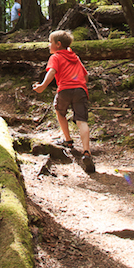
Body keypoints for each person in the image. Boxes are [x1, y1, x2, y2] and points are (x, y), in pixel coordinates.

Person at [33, 29, 95, 173]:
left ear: (58, 44)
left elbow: (52, 71)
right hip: (80, 90)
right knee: (82, 121)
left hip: (64, 90)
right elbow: (86, 76)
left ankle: (68, 140)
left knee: (60, 111)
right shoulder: (75, 57)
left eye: (50, 43)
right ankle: (86, 152)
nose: (49, 45)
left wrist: (42, 86)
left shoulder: (56, 57)